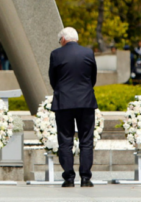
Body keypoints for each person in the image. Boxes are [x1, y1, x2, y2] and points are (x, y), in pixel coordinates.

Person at [49, 27, 97, 188]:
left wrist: (62, 91)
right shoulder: (88, 53)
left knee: (65, 141)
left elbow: (53, 80)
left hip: (64, 102)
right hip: (85, 101)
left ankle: (68, 178)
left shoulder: (56, 54)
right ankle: (85, 178)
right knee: (86, 141)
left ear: (63, 39)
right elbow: (93, 78)